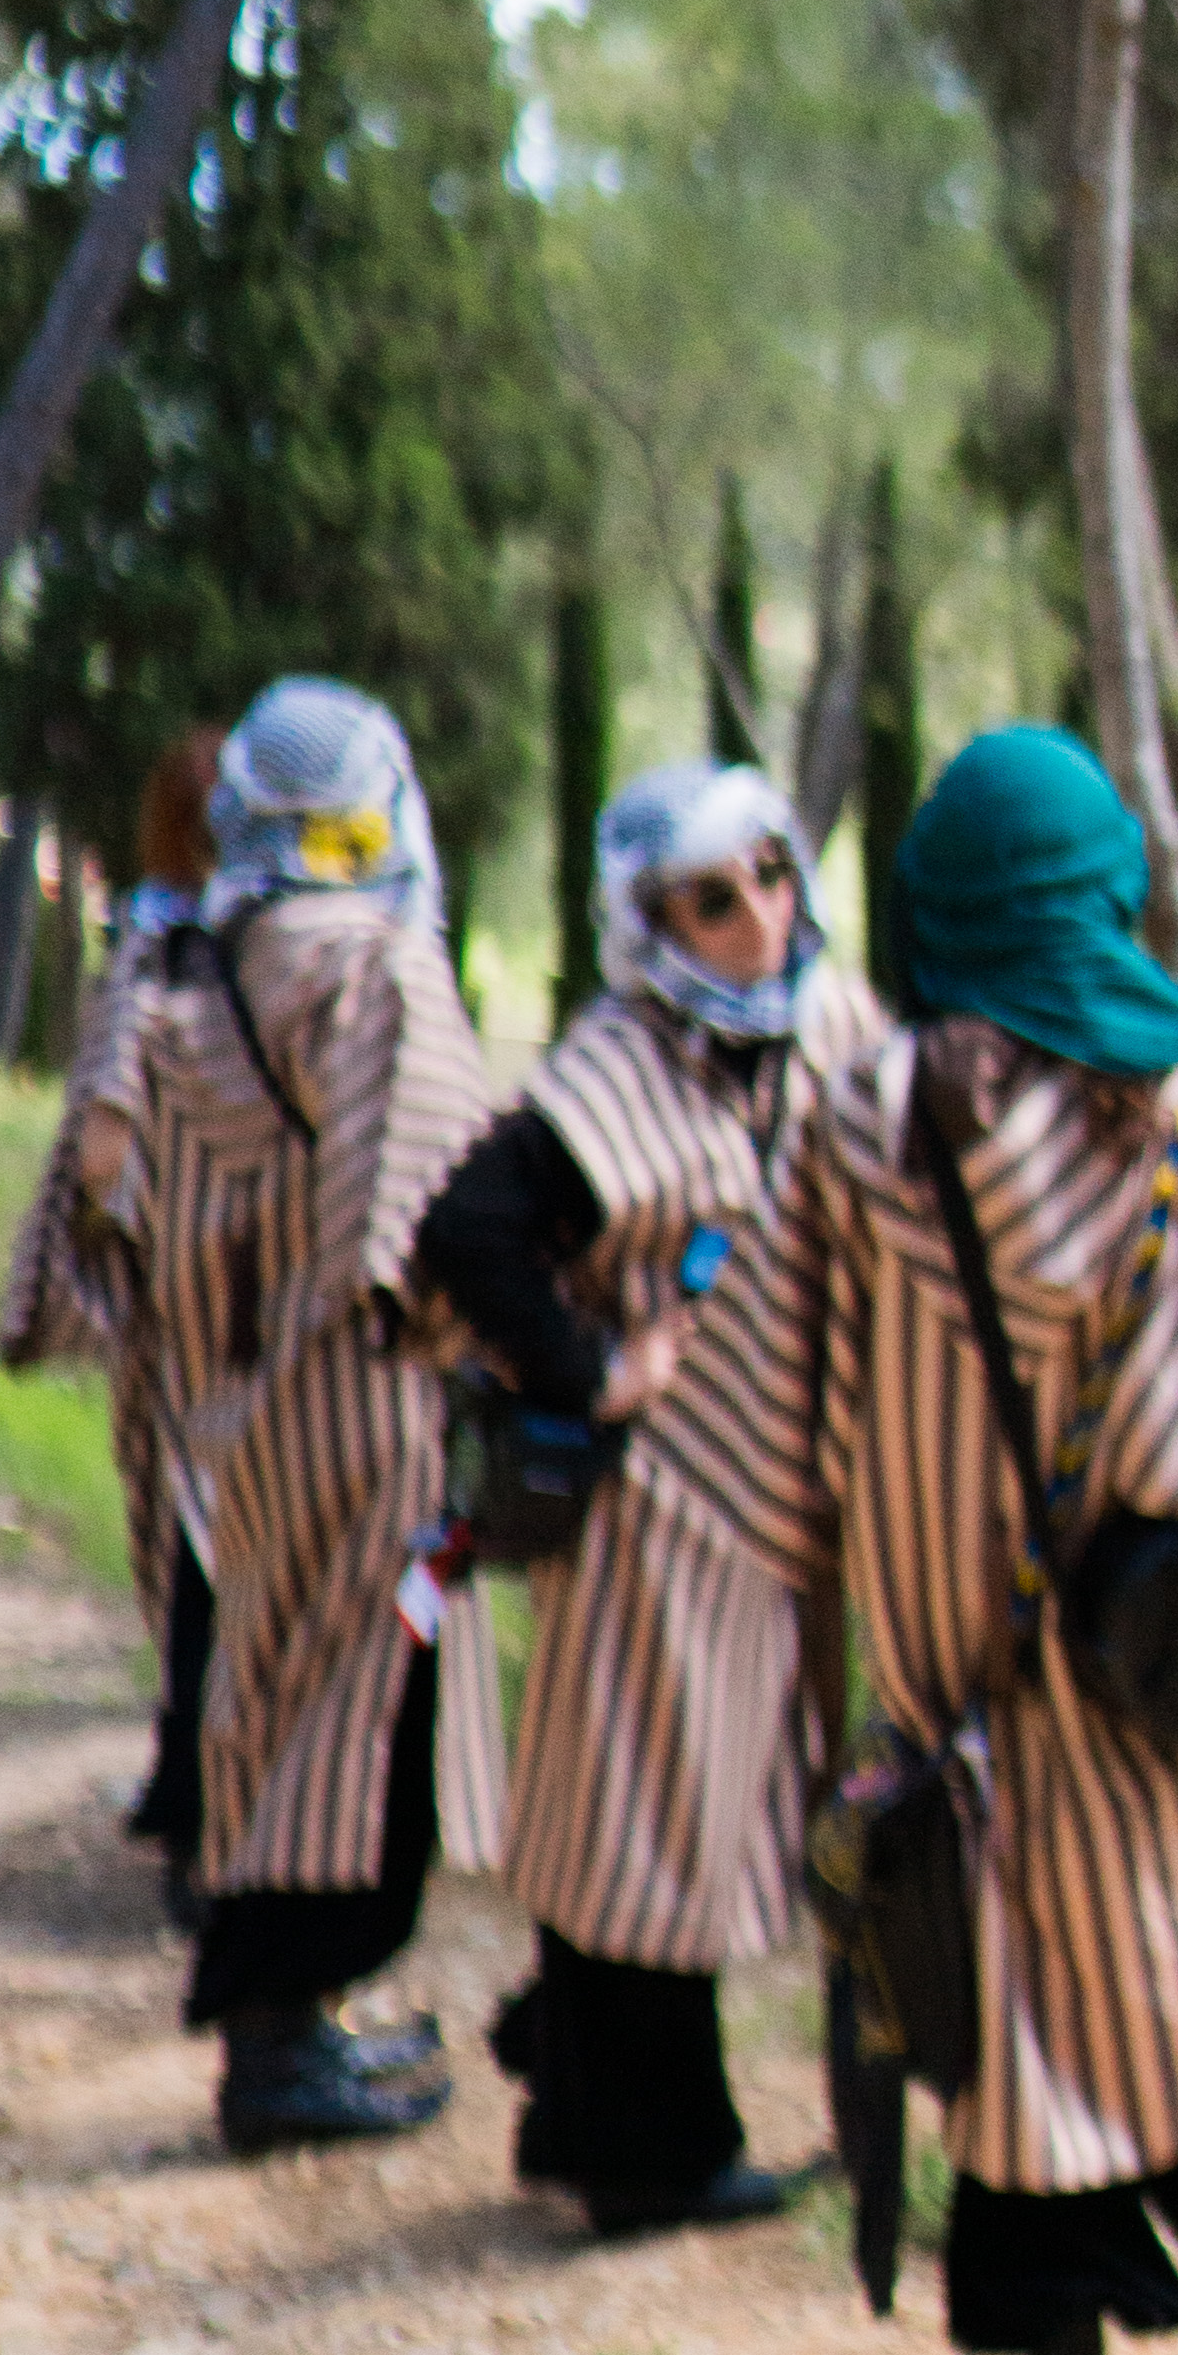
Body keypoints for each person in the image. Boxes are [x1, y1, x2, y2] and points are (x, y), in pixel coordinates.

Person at [743, 725, 1178, 2355]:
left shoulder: (859, 1120)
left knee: (1019, 2024)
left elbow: (781, 1396)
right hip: (1163, 1672)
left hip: (970, 1673)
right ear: (1102, 899)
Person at [411, 758, 881, 2243]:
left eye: (770, 873)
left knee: (703, 1826)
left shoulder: (833, 1027)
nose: (756, 916)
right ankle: (646, 2161)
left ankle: (583, 2103)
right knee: (638, 1836)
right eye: (711, 898)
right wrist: (590, 1369)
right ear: (650, 924)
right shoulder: (615, 1069)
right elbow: (465, 1230)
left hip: (776, 1517)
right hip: (655, 1520)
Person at [57, 674, 508, 2160]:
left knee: (257, 1698)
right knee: (358, 1709)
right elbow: (443, 1196)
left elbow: (99, 1180)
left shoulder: (171, 959)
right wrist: (464, 1351)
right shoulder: (376, 962)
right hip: (362, 1392)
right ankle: (280, 2048)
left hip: (223, 1401)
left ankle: (294, 2030)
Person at [0, 719, 224, 1890]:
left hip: (177, 1315)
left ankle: (195, 1801)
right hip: (200, 1314)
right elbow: (101, 1150)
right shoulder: (181, 958)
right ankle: (199, 1822)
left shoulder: (158, 941)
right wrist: (186, 1222)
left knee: (195, 1553)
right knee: (209, 1559)